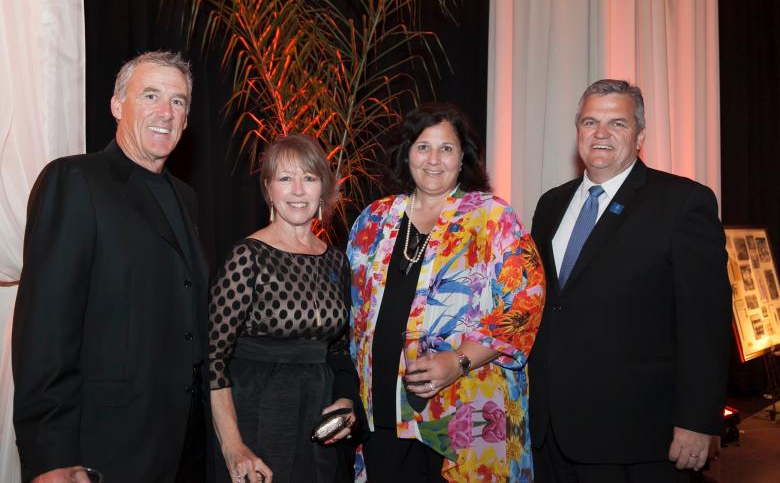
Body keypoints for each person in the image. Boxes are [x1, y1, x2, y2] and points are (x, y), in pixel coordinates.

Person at [12, 51, 209, 482]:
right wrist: (50, 457)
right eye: (151, 95)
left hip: (179, 448)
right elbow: (45, 329)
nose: (165, 112)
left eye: (178, 102)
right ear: (118, 105)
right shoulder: (75, 181)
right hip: (103, 449)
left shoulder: (185, 197)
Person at [528, 79, 732, 483]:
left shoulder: (683, 202)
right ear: (578, 132)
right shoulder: (550, 204)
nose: (600, 134)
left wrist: (698, 420)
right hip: (550, 432)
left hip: (636, 438)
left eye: (616, 124)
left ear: (640, 135)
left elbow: (705, 323)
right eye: (590, 122)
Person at [347, 103, 545, 482]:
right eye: (423, 146)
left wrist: (458, 361)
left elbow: (525, 304)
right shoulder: (373, 220)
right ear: (406, 154)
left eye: (446, 148)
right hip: (384, 414)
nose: (433, 159)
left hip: (466, 415)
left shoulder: (493, 218)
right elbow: (354, 317)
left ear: (463, 158)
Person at [208, 134, 359, 483]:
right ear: (268, 189)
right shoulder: (247, 256)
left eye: (309, 178)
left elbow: (338, 352)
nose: (297, 190)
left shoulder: (336, 262)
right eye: (285, 178)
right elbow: (214, 360)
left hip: (319, 420)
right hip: (258, 412)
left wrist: (345, 402)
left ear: (323, 188)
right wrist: (233, 445)